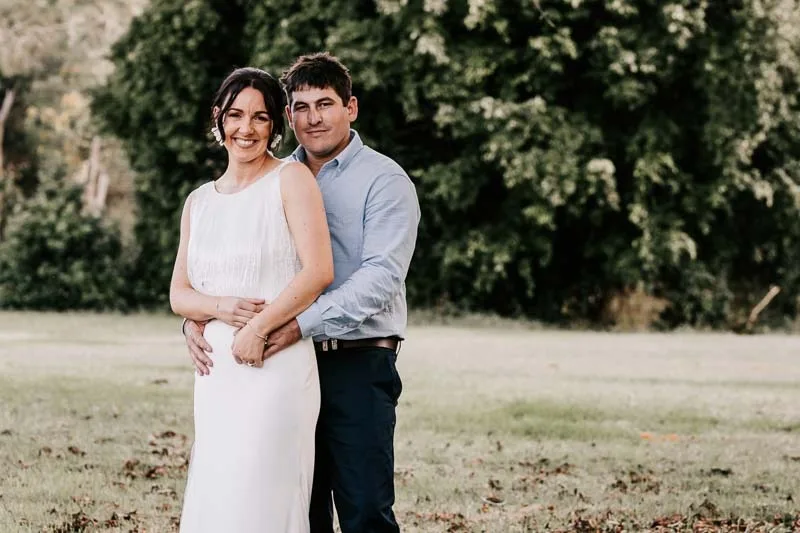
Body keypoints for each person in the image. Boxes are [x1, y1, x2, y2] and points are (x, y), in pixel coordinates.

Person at [183, 53, 420, 533]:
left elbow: (379, 280)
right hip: (278, 363)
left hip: (355, 360)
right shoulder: (266, 177)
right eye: (302, 106)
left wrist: (292, 326)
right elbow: (239, 263)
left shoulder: (385, 181)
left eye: (326, 104)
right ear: (287, 116)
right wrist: (198, 318)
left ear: (351, 108)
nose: (314, 118)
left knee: (363, 510)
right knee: (294, 506)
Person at [170, 67, 334, 533]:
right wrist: (217, 309)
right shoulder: (198, 202)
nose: (246, 128)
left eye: (259, 118)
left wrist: (258, 329)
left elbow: (318, 271)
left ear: (275, 125)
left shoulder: (291, 179)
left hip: (274, 368)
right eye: (236, 115)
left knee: (263, 493)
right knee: (219, 492)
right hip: (216, 376)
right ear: (218, 118)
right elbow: (179, 293)